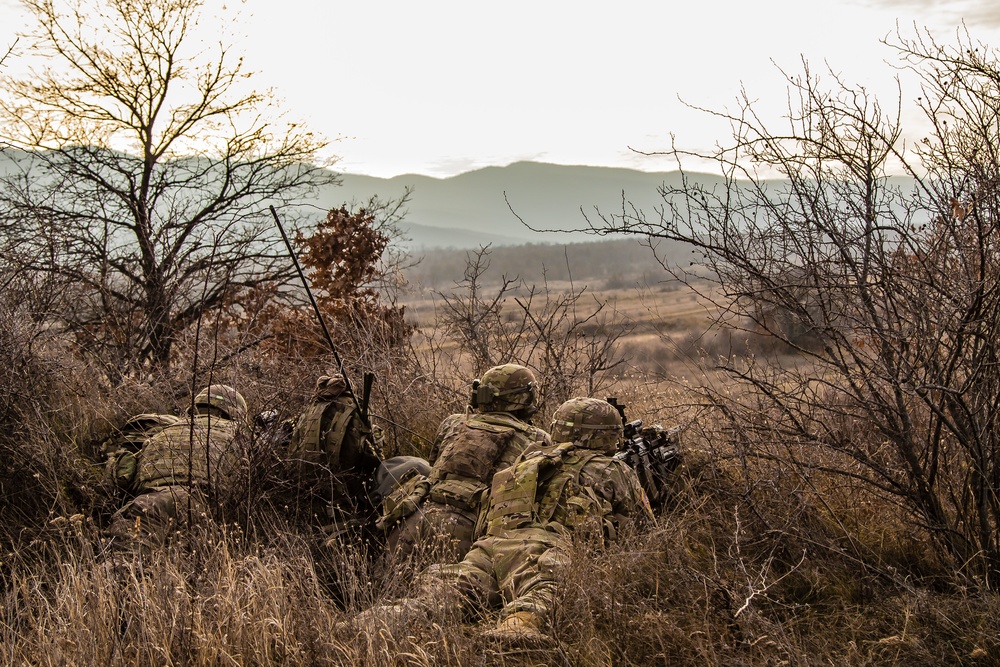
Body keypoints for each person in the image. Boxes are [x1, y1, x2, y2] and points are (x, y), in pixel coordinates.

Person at [358, 397, 654, 649]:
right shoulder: (615, 469)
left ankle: (366, 624)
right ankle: (514, 630)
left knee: (443, 594)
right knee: (544, 590)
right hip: (546, 549)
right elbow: (642, 534)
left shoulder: (528, 460)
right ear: (607, 435)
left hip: (489, 547)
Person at [377, 363, 551, 565]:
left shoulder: (454, 422)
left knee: (386, 587)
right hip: (471, 532)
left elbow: (434, 465)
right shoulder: (539, 438)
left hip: (416, 517)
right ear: (526, 397)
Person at [107, 384, 247, 548]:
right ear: (235, 413)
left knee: (124, 559)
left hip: (149, 502)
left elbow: (125, 476)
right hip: (202, 505)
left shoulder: (164, 431)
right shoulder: (239, 434)